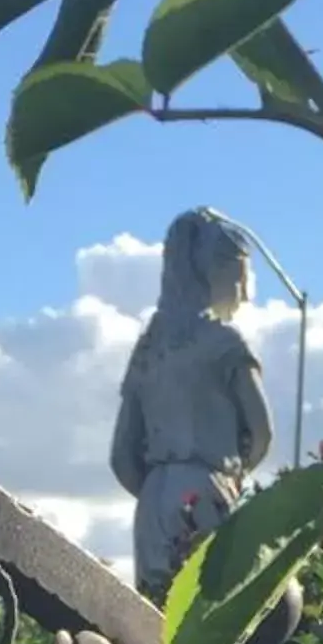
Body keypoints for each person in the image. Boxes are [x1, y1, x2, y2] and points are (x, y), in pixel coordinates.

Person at [111, 210, 275, 601]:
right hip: (207, 488)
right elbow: (263, 430)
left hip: (152, 498)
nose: (246, 293)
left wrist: (158, 485)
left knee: (152, 615)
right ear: (215, 273)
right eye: (241, 278)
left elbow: (121, 457)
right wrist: (233, 473)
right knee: (208, 611)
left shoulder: (149, 350)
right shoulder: (225, 345)